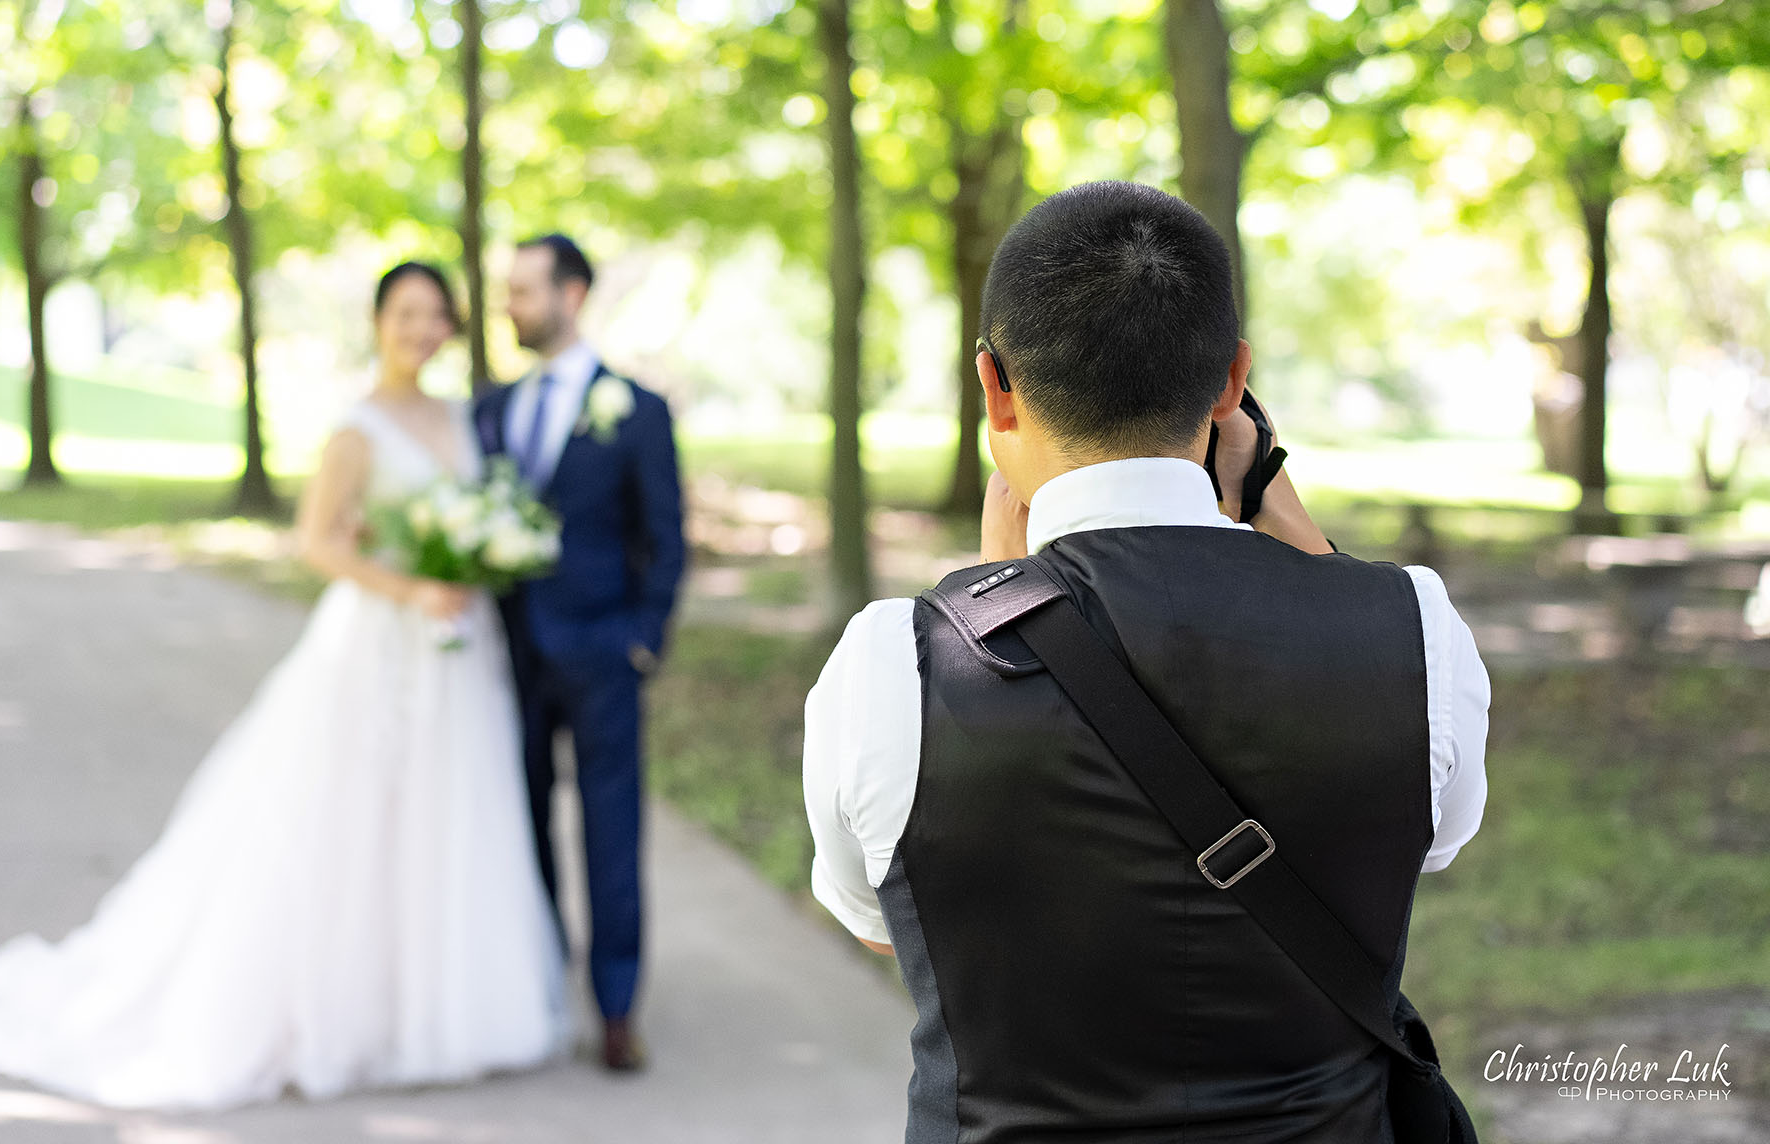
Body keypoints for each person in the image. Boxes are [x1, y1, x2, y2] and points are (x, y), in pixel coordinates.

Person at [803, 182, 1491, 1142]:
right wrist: (1286, 515)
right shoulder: (1413, 630)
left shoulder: (897, 663)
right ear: (1230, 380)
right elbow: (1428, 838)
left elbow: (891, 920)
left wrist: (1004, 592)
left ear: (995, 387)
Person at [0, 262, 568, 1110]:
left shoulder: (463, 418)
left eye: (435, 316)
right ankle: (333, 1010)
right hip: (379, 641)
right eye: (405, 313)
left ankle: (429, 1005)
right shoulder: (358, 429)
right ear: (378, 321)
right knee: (351, 821)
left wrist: (471, 565)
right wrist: (413, 589)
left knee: (443, 818)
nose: (420, 329)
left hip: (458, 651)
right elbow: (318, 544)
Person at [472, 234, 685, 1073]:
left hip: (602, 654)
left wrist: (642, 641)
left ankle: (618, 1006)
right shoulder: (490, 407)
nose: (510, 307)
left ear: (573, 294)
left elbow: (666, 539)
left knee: (610, 832)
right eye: (508, 291)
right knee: (518, 827)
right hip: (508, 656)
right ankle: (538, 985)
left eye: (524, 291)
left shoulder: (636, 409)